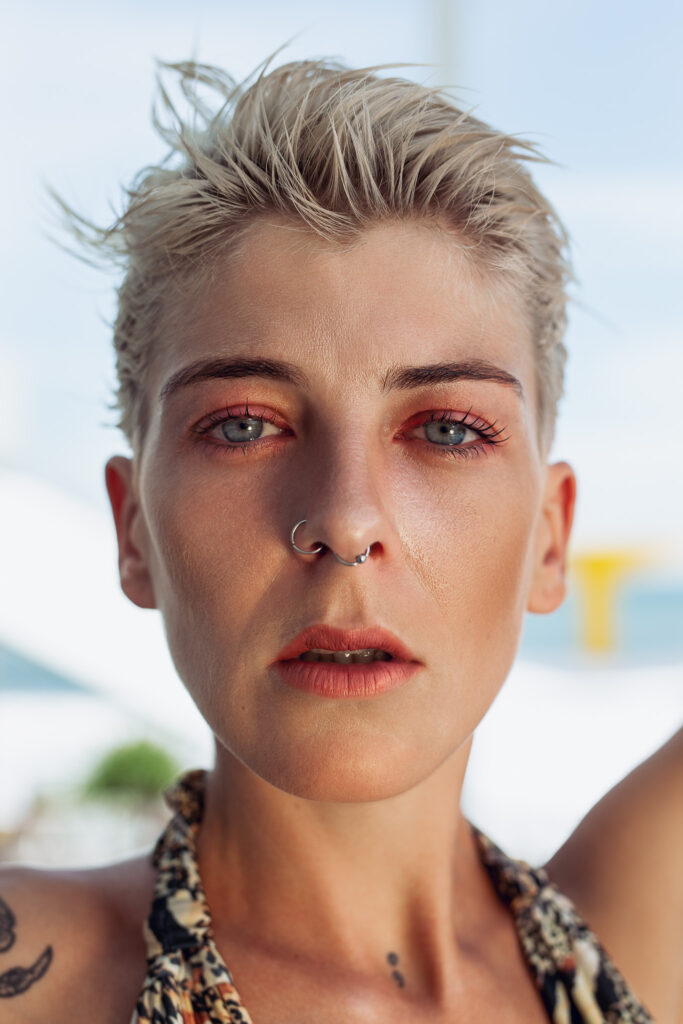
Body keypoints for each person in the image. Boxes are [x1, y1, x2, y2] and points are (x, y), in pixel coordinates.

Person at [1, 55, 680, 1024]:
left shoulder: (636, 937)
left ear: (547, 536)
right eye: (243, 423)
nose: (347, 518)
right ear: (133, 528)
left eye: (446, 428)